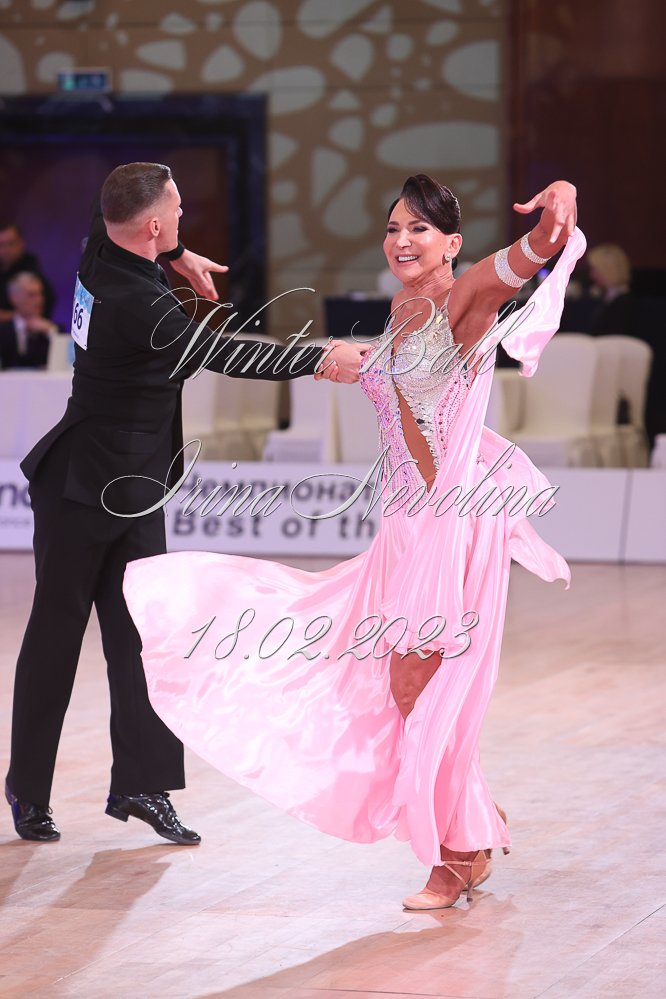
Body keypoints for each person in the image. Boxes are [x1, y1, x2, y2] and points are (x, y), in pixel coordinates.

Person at [123, 174, 584, 906]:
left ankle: (453, 856)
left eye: (419, 229)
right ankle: (470, 828)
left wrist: (559, 196)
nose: (402, 240)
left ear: (452, 244)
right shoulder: (403, 307)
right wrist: (352, 363)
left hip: (446, 523)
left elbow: (538, 248)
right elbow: (404, 388)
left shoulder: (466, 297)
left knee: (414, 684)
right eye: (394, 228)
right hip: (403, 524)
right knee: (394, 685)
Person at [5, 161, 366, 845]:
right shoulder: (138, 304)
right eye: (174, 212)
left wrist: (175, 254)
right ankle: (27, 787)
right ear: (150, 225)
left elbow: (111, 213)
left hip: (136, 486)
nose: (181, 218)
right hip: (82, 487)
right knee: (56, 636)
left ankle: (141, 786)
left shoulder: (100, 247)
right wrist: (319, 357)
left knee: (144, 639)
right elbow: (225, 354)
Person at [0, 272, 60, 369]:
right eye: (31, 295)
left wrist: (51, 331)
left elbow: (63, 361)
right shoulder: (3, 331)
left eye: (40, 294)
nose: (39, 300)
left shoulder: (52, 329)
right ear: (14, 298)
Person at [0, 222, 56, 321]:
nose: (6, 250)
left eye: (11, 243)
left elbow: (42, 306)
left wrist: (13, 317)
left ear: (21, 243)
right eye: (1, 245)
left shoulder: (30, 268)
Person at [587, 242, 636, 336]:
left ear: (608, 270)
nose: (592, 275)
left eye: (594, 269)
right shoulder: (609, 298)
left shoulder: (624, 304)